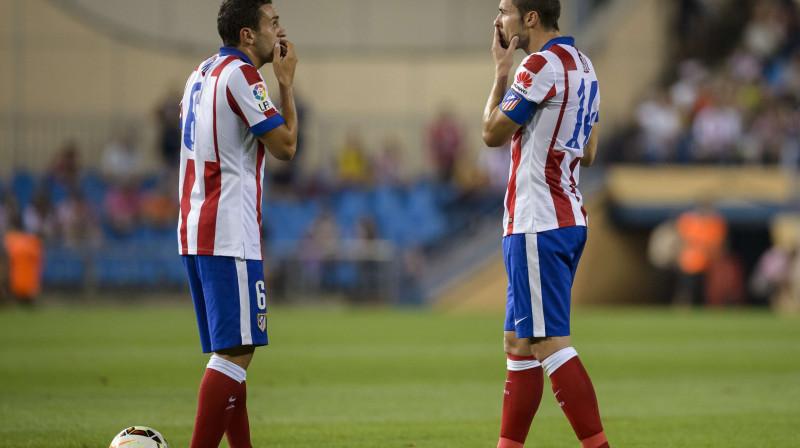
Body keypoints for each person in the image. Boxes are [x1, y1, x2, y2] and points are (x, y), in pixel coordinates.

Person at [481, 1, 609, 447]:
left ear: (529, 19)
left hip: (537, 220)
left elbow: (492, 133)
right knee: (519, 343)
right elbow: (588, 153)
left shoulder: (538, 65)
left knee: (550, 343)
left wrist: (501, 72)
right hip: (568, 216)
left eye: (504, 11)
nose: (498, 20)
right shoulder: (585, 66)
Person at [176, 0, 298, 446]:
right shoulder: (243, 75)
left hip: (195, 227)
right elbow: (285, 145)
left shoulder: (200, 72)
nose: (280, 31)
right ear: (248, 34)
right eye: (273, 22)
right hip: (228, 231)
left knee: (233, 352)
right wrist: (285, 84)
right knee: (235, 354)